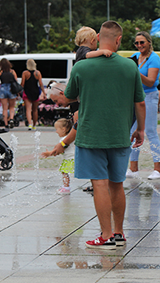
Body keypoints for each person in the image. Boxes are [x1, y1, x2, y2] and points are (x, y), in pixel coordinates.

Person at [65, 21, 146, 249]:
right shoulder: (130, 67)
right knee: (117, 183)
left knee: (99, 184)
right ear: (119, 40)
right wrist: (139, 130)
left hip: (91, 133)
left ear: (98, 37)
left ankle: (106, 235)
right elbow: (139, 102)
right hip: (120, 133)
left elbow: (70, 95)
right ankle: (119, 233)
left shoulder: (81, 67)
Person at [127, 31, 160, 180]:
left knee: (151, 132)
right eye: (137, 43)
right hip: (135, 98)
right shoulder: (135, 56)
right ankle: (133, 169)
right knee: (133, 132)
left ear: (149, 42)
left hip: (149, 96)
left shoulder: (154, 58)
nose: (139, 45)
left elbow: (150, 82)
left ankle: (157, 169)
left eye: (142, 42)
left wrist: (134, 70)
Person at [41, 118, 75, 194]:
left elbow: (59, 150)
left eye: (57, 129)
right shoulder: (69, 138)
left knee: (64, 172)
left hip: (70, 159)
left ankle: (66, 188)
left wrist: (49, 153)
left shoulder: (63, 140)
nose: (56, 131)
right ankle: (66, 186)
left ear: (63, 129)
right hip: (73, 158)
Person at [21, 58, 45, 130]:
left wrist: (19, 91)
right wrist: (43, 92)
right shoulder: (38, 73)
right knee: (35, 109)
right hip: (35, 92)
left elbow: (22, 84)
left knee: (28, 109)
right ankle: (34, 125)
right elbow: (40, 84)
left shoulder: (25, 73)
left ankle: (30, 124)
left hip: (27, 92)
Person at [0, 58, 18, 127]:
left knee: (4, 108)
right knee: (11, 107)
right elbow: (16, 80)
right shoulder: (12, 72)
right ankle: (11, 119)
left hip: (3, 89)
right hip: (11, 89)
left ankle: (6, 124)